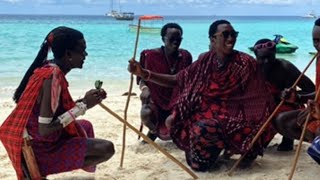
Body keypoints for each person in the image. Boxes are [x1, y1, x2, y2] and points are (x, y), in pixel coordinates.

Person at [129, 20, 276, 171]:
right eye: (226, 34)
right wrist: (144, 74)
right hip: (209, 112)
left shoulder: (246, 62)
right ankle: (214, 152)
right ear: (213, 39)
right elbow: (178, 79)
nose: (231, 38)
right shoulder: (206, 60)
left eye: (234, 34)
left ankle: (236, 150)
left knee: (204, 129)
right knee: (175, 122)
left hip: (238, 116)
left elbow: (259, 94)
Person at [0, 26, 115, 179]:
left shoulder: (48, 69)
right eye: (82, 50)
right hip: (41, 149)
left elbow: (54, 111)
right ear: (68, 54)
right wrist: (84, 105)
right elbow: (45, 129)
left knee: (86, 126)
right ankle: (48, 171)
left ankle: (75, 167)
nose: (86, 55)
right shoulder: (52, 77)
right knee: (107, 148)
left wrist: (86, 101)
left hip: (39, 139)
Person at [253, 38, 315, 151]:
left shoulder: (285, 68)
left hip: (284, 106)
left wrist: (295, 96)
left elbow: (312, 90)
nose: (266, 62)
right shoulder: (252, 69)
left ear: (275, 54)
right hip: (261, 106)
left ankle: (287, 140)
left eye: (269, 58)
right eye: (262, 58)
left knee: (281, 114)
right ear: (256, 57)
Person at [137, 23, 192, 142]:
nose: (176, 42)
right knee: (146, 113)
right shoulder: (149, 56)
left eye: (179, 39)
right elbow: (142, 80)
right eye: (172, 39)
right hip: (156, 99)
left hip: (177, 100)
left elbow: (189, 80)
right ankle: (153, 132)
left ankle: (178, 135)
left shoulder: (186, 56)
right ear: (163, 39)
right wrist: (144, 89)